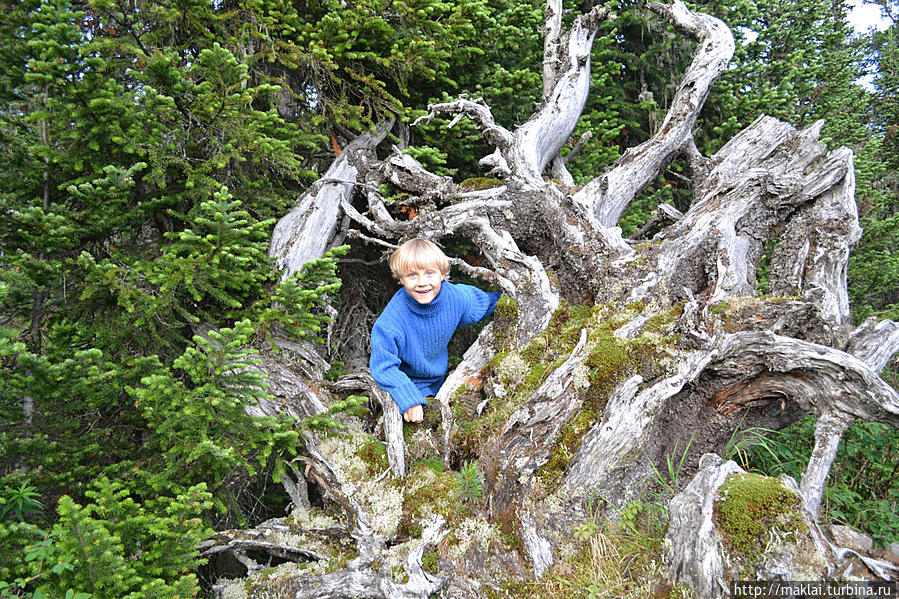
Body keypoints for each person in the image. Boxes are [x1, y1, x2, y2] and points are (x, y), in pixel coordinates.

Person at [369, 239, 501, 423]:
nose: (422, 282)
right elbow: (383, 367)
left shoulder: (454, 297)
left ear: (442, 274)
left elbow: (484, 303)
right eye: (412, 275)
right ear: (401, 279)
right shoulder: (391, 322)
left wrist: (509, 299)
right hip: (404, 387)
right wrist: (409, 399)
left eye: (430, 273)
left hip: (440, 382)